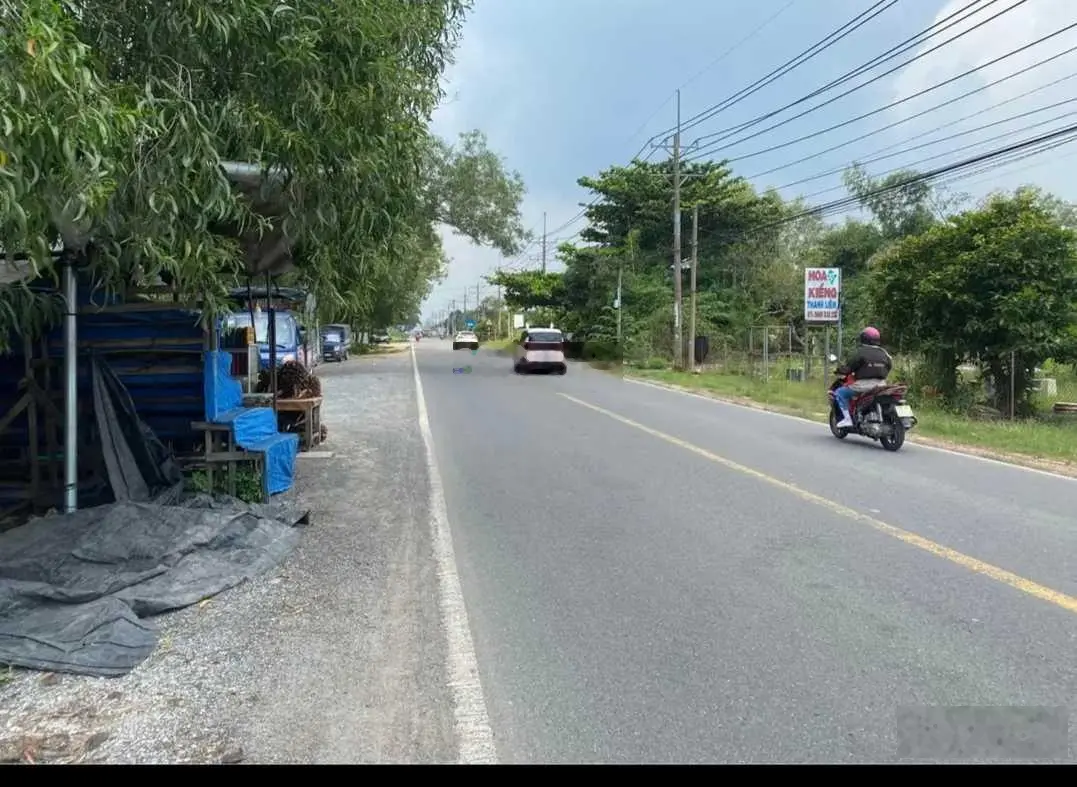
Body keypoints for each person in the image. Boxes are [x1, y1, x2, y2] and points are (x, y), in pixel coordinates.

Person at [833, 326, 892, 428]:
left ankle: (847, 419)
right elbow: (890, 365)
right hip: (881, 384)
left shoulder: (860, 352)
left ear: (863, 338)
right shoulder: (884, 352)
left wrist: (839, 370)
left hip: (863, 385)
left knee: (839, 393)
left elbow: (849, 368)